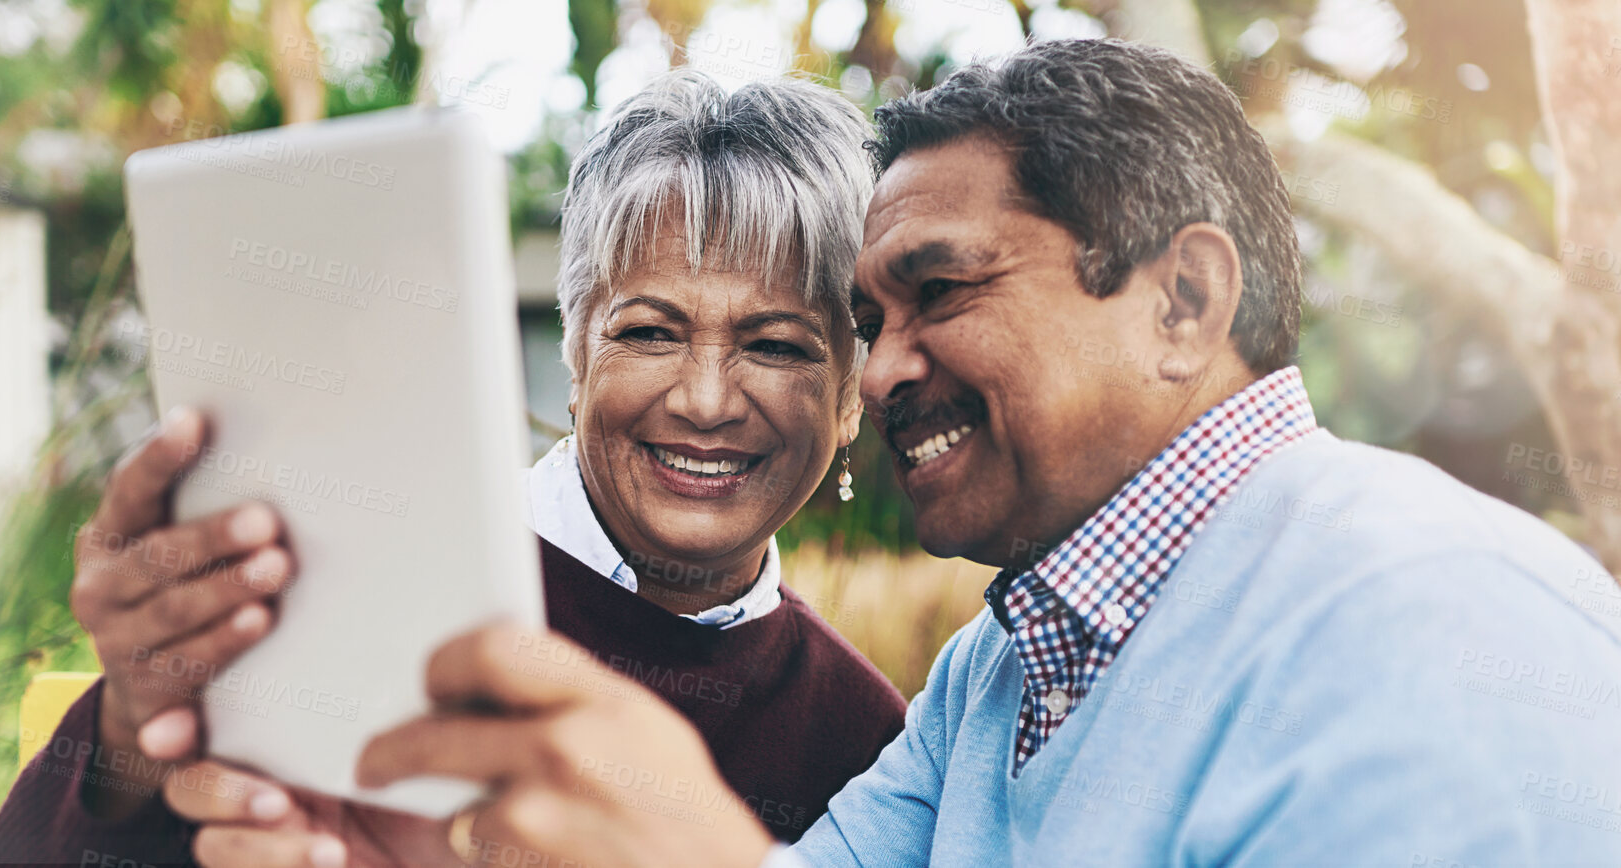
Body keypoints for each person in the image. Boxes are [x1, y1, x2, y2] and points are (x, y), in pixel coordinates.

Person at [166, 38, 1621, 868]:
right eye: (868, 316)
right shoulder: (998, 681)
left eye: (940, 292)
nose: (891, 363)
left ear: (1182, 301)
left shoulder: (1437, 624)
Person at [0, 70, 910, 866]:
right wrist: (125, 737)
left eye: (778, 346)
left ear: (849, 392)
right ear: (576, 358)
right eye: (649, 332)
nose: (706, 398)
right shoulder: (321, 585)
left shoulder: (872, 741)